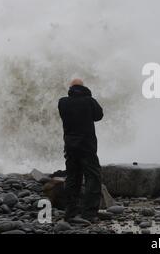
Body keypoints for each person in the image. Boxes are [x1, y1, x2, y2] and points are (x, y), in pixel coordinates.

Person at [58, 78, 104, 222]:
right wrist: (88, 96)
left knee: (72, 177)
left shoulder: (63, 102)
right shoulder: (89, 101)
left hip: (70, 146)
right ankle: (89, 213)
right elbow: (99, 116)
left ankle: (70, 212)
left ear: (71, 88)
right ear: (83, 88)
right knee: (93, 177)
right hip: (87, 146)